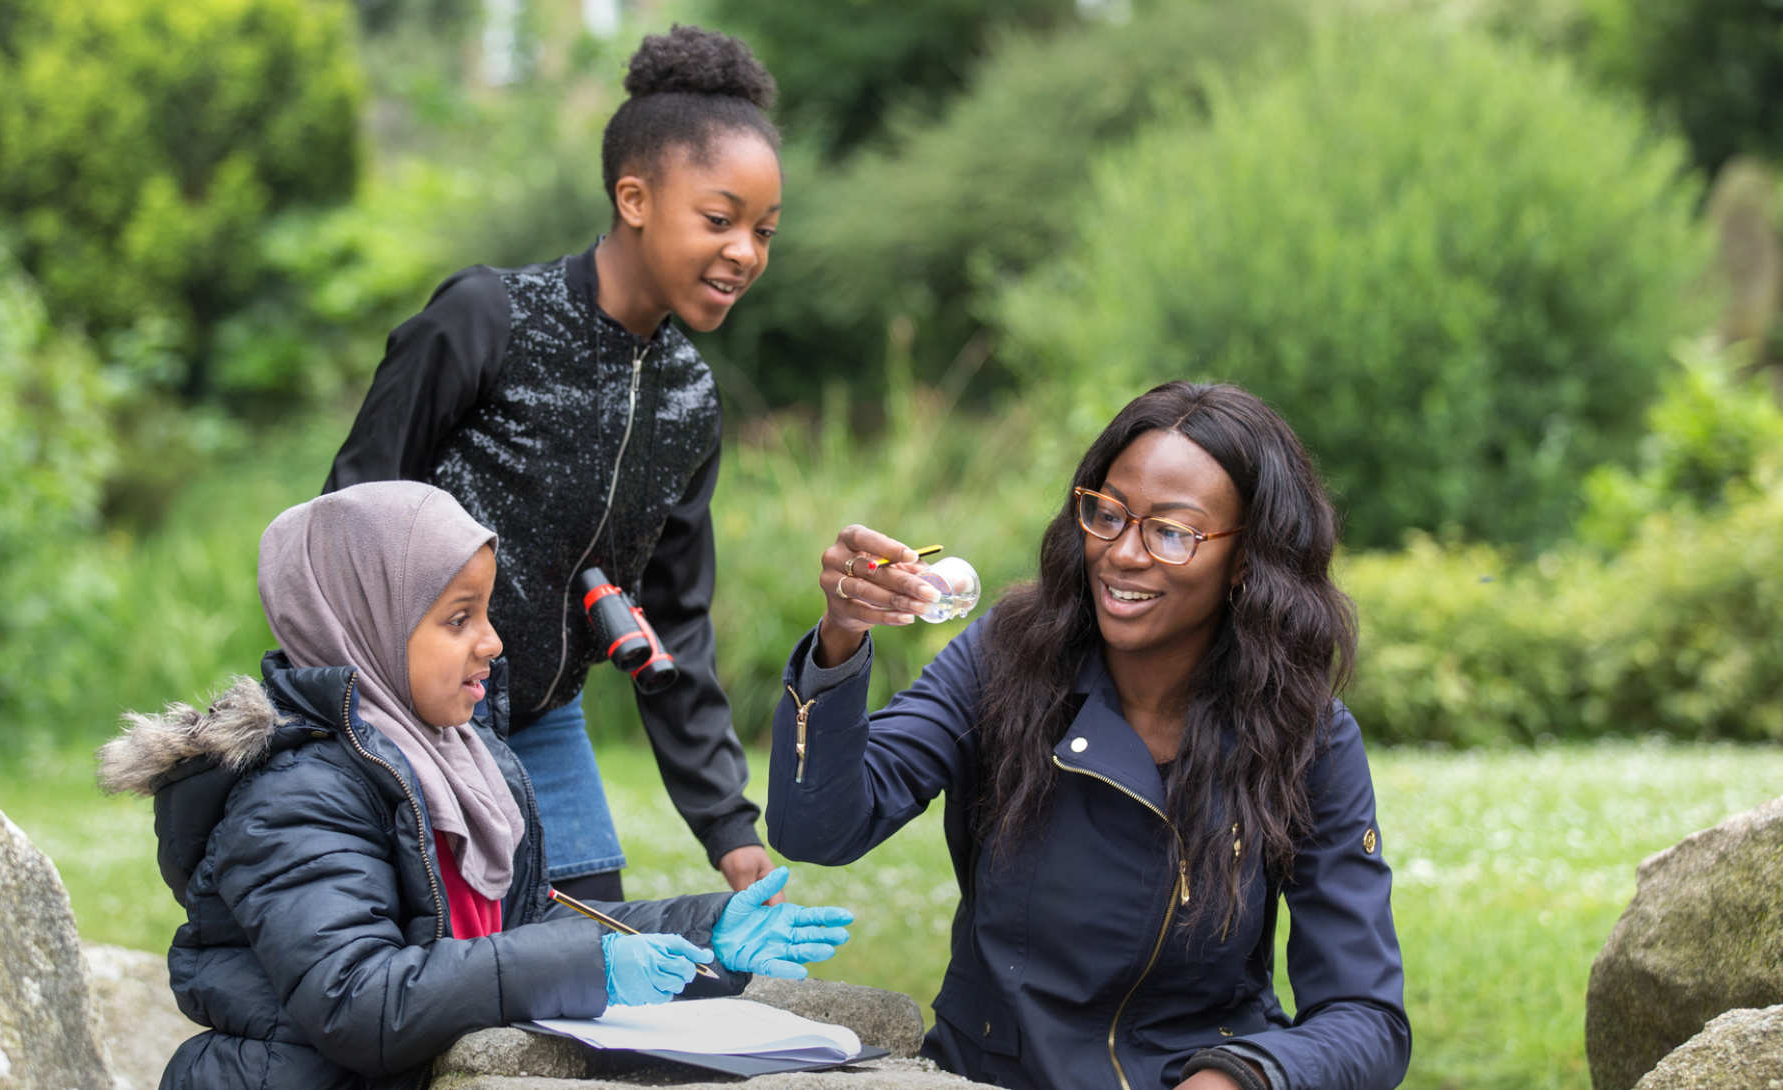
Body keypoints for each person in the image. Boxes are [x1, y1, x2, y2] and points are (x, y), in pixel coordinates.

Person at [97, 482, 850, 1089]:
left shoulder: (464, 762)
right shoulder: (299, 797)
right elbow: (359, 1000)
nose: (492, 643)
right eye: (459, 619)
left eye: (486, 614)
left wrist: (700, 934)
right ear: (368, 623)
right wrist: (592, 968)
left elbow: (522, 930)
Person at [766, 382, 1410, 1090]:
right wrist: (840, 638)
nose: (1122, 554)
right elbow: (819, 829)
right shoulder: (1004, 660)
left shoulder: (1305, 734)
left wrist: (1241, 1077)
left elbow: (1366, 1017)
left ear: (1249, 560)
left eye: (1172, 532)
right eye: (1107, 514)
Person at [323, 24, 782, 906]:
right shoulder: (486, 318)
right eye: (719, 220)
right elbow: (352, 510)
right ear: (635, 197)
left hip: (542, 720)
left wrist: (729, 826)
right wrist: (360, 709)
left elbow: (671, 621)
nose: (746, 253)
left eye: (762, 230)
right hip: (405, 707)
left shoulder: (689, 398)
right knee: (437, 961)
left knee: (593, 949)